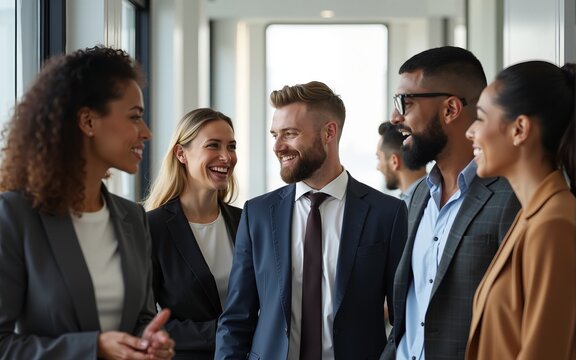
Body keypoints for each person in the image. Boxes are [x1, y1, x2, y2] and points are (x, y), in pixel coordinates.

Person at [0, 46, 174, 359]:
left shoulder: (132, 217)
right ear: (88, 121)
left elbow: (141, 318)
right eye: (135, 117)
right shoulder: (13, 216)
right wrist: (92, 348)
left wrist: (148, 342)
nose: (146, 132)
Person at [215, 81, 408, 359]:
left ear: (329, 132)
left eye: (290, 134)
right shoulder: (257, 214)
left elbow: (404, 319)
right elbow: (236, 319)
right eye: (275, 135)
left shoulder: (387, 214)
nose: (278, 147)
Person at [381, 46, 521, 360]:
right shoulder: (417, 197)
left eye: (407, 102)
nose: (395, 117)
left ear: (450, 109)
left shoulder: (512, 197)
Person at [465, 61, 576, 360]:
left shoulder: (553, 224)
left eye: (480, 118)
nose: (470, 132)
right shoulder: (532, 216)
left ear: (520, 129)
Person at [144, 108, 242, 359]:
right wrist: (227, 331)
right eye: (213, 145)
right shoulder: (152, 228)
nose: (226, 157)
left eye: (231, 147)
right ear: (181, 153)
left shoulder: (246, 221)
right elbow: (145, 322)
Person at [377, 117, 427, 207]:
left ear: (394, 161)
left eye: (379, 158)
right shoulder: (436, 195)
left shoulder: (410, 207)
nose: (378, 167)